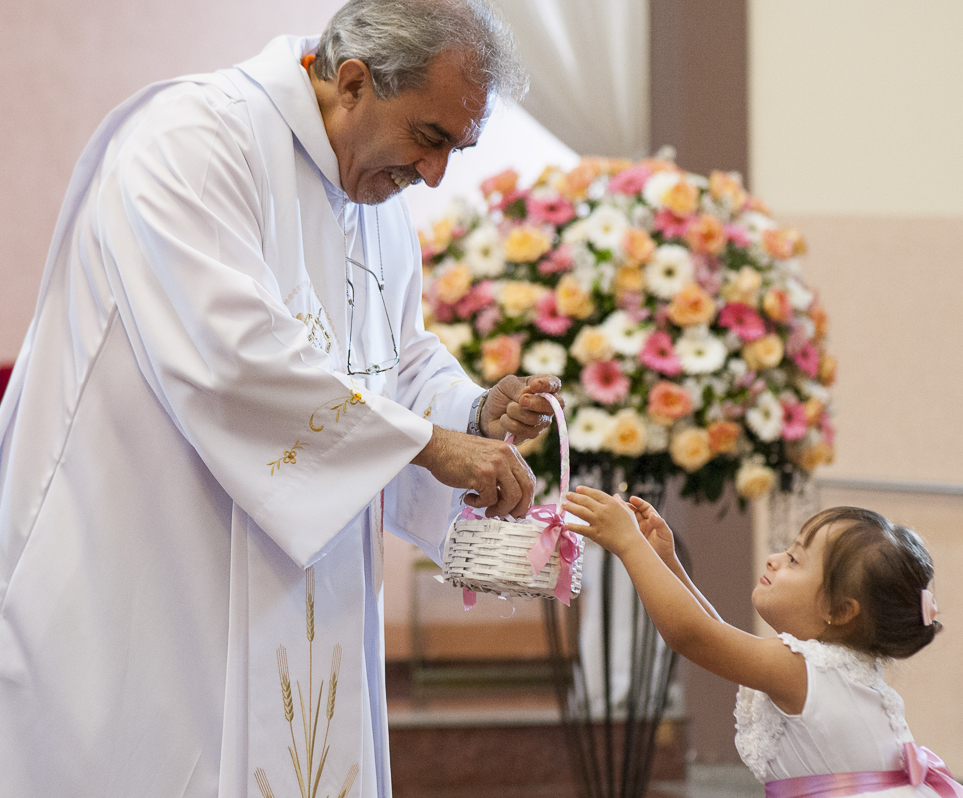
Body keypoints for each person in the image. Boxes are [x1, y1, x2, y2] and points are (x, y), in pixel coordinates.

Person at [0, 1, 561, 796]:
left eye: (456, 149)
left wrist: (470, 412)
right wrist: (424, 445)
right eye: (431, 138)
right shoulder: (193, 142)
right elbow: (232, 359)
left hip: (293, 583)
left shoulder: (373, 201)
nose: (434, 174)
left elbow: (388, 361)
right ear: (356, 83)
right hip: (150, 573)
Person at [563, 490, 963, 798]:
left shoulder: (804, 668)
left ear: (840, 609)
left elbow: (695, 636)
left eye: (795, 560)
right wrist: (666, 561)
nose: (774, 559)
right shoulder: (828, 664)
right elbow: (717, 634)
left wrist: (630, 545)